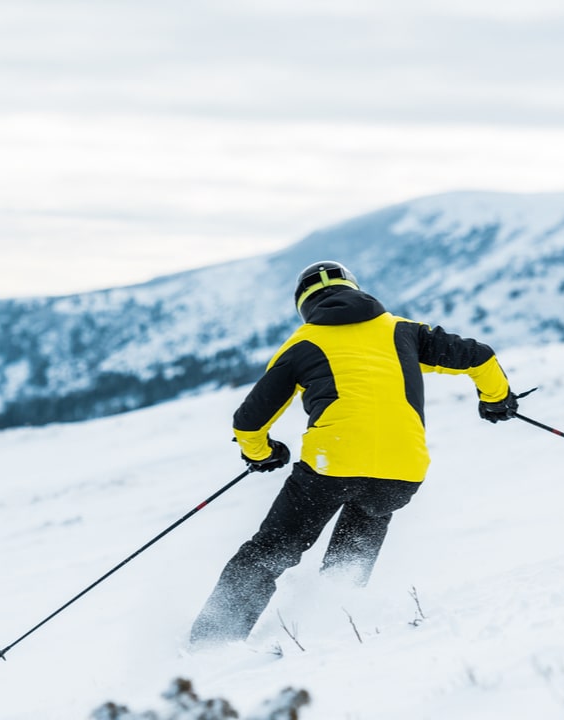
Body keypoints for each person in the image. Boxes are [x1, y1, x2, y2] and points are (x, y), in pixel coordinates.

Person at [188, 260, 518, 646]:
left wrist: (262, 454)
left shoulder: (302, 345)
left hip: (332, 466)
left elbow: (248, 422)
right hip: (402, 468)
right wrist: (496, 400)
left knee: (271, 550)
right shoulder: (403, 331)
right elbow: (479, 356)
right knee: (354, 547)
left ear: (305, 304)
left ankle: (211, 643)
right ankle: (327, 623)